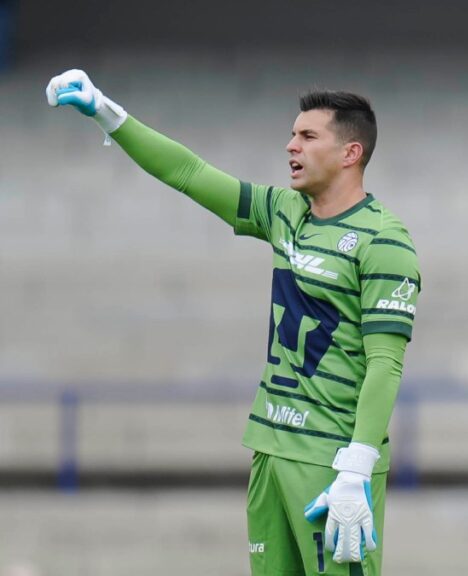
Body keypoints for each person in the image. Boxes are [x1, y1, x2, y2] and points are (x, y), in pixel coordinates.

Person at [46, 69, 420, 576]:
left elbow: (385, 364)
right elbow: (190, 174)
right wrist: (106, 111)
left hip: (333, 463)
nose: (291, 145)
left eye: (308, 136)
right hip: (269, 447)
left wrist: (356, 467)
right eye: (292, 134)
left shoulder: (385, 240)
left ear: (351, 153)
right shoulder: (284, 212)